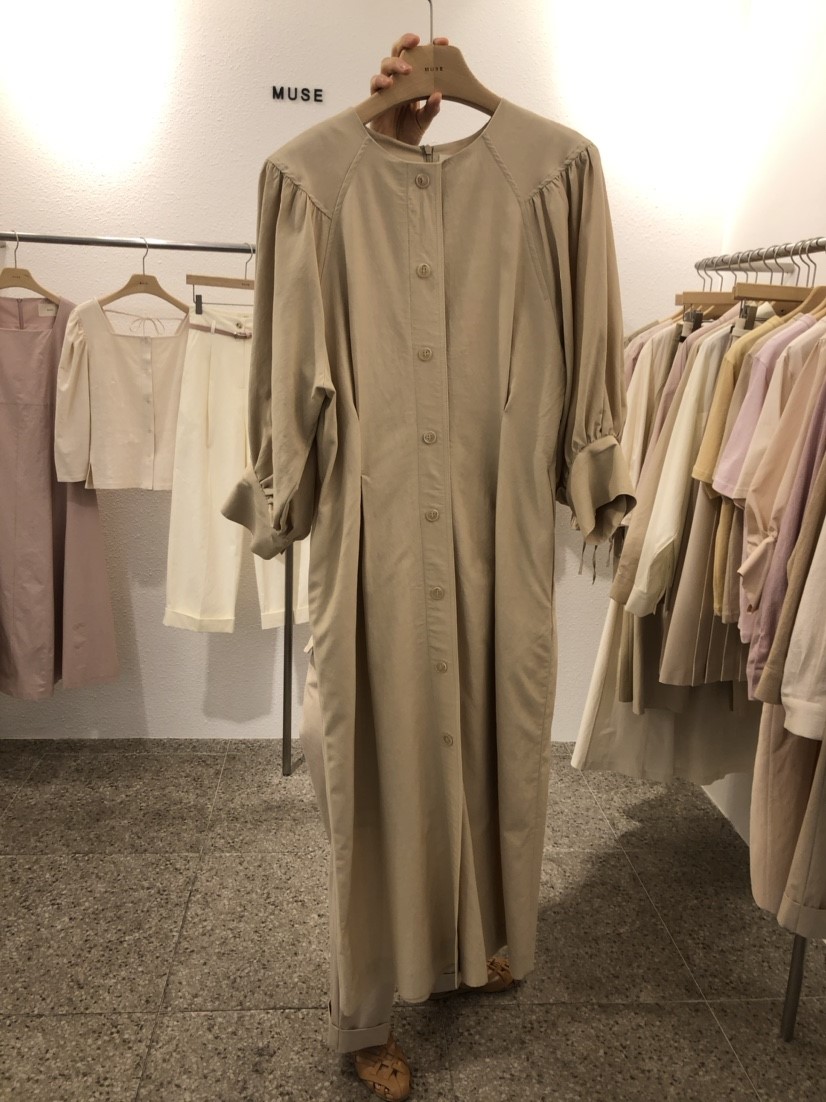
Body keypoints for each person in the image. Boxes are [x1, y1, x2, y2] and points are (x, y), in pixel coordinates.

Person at [297, 33, 518, 1102]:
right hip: (372, 527)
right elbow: (294, 381)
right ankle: (365, 1015)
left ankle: (468, 942)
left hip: (484, 520)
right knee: (373, 771)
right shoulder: (314, 185)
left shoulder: (546, 181)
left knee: (477, 735)